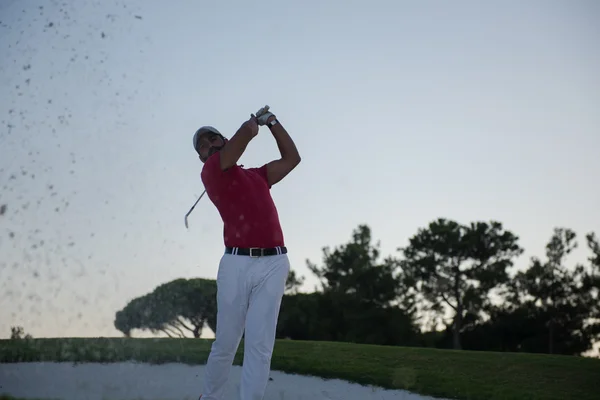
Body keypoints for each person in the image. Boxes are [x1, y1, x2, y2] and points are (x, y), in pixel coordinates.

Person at [192, 107, 301, 400]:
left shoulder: (258, 176)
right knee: (227, 342)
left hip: (274, 263)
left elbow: (292, 159)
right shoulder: (211, 171)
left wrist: (272, 122)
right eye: (202, 146)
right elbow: (243, 137)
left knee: (260, 344)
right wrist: (253, 124)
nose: (207, 146)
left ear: (222, 139)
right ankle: (210, 397)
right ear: (202, 158)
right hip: (236, 264)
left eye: (211, 139)